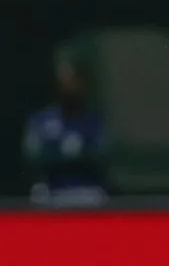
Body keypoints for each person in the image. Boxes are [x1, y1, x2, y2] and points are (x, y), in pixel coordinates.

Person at [22, 41, 108, 207]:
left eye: (74, 79)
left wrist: (75, 156)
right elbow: (32, 156)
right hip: (52, 192)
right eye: (63, 79)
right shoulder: (41, 121)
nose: (69, 86)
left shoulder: (94, 121)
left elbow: (103, 154)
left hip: (87, 192)